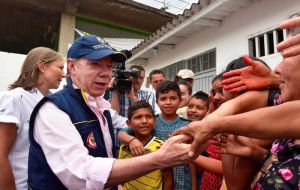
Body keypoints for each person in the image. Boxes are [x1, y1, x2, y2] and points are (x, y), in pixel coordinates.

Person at [27, 35, 191, 190]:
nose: (106, 73)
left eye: (109, 66)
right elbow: (80, 176)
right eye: (95, 64)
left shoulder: (100, 105)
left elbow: (125, 124)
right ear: (72, 67)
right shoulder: (53, 109)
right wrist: (158, 159)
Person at [174, 17, 300, 188]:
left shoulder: (259, 126)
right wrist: (259, 155)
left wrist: (213, 126)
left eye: (285, 57)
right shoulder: (277, 105)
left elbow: (234, 184)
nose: (277, 68)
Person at [0, 47, 65, 190]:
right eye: (60, 67)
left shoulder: (53, 101)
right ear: (42, 66)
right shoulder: (14, 99)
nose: (64, 74)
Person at [119, 80, 197, 190]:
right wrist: (132, 140)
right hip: (156, 180)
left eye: (173, 98)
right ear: (157, 101)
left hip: (183, 181)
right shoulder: (150, 121)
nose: (168, 102)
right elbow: (122, 133)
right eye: (163, 98)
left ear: (180, 100)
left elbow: (192, 160)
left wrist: (194, 186)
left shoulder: (188, 126)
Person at [118, 100, 174, 190]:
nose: (144, 121)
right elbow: (120, 174)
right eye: (138, 117)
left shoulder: (162, 147)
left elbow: (168, 178)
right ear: (129, 123)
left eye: (148, 117)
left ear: (154, 121)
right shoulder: (124, 146)